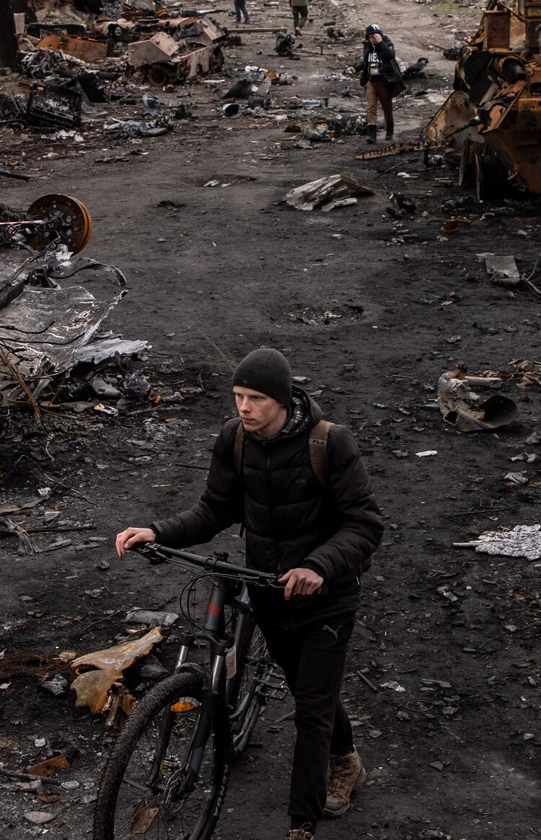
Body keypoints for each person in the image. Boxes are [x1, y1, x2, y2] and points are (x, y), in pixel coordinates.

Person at [115, 348, 384, 840]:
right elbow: (215, 509)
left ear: (281, 400)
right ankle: (347, 757)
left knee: (311, 711)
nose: (244, 406)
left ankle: (301, 824)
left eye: (255, 398)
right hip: (268, 594)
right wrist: (158, 531)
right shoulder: (234, 439)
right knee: (309, 688)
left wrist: (318, 566)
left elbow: (365, 525)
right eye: (238, 395)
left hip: (327, 599)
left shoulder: (330, 443)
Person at [356, 25, 402, 139]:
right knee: (371, 107)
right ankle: (372, 134)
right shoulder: (368, 46)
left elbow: (390, 56)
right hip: (371, 80)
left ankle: (389, 130)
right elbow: (365, 62)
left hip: (384, 80)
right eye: (370, 37)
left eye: (374, 36)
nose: (372, 39)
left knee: (387, 106)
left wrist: (380, 43)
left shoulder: (387, 44)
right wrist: (356, 68)